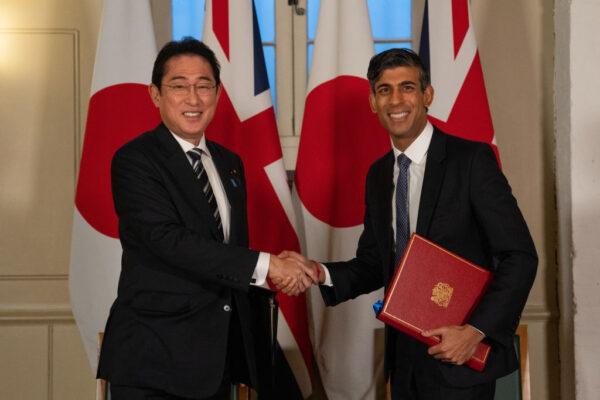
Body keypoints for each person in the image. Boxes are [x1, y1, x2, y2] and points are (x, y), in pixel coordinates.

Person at [282, 48, 537, 399]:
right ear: (373, 101)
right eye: (384, 90)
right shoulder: (378, 174)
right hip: (404, 364)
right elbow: (375, 263)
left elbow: (520, 256)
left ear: (427, 95)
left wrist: (475, 332)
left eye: (407, 87)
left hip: (460, 361)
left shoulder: (471, 161)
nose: (395, 99)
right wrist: (317, 272)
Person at [96, 38, 317, 400]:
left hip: (218, 358)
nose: (193, 99)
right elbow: (169, 241)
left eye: (204, 86)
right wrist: (267, 265)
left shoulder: (229, 163)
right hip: (154, 361)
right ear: (155, 94)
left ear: (217, 92)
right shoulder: (136, 160)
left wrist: (277, 269)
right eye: (179, 86)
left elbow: (225, 253)